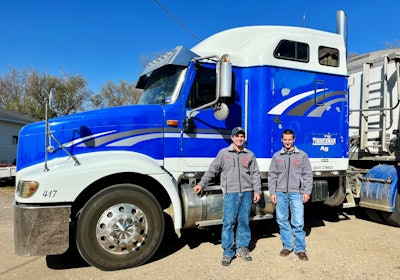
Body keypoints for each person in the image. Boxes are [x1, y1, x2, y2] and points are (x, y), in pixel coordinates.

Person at [193, 127, 261, 266]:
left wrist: (257, 191)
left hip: (247, 193)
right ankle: (228, 251)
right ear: (232, 138)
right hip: (230, 193)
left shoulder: (249, 155)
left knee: (244, 222)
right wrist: (202, 183)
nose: (239, 139)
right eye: (237, 136)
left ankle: (242, 248)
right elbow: (213, 170)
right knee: (229, 222)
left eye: (242, 136)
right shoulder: (223, 154)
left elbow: (255, 174)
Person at [268, 129, 313, 261]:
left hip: (296, 193)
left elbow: (307, 175)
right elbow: (272, 176)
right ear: (282, 140)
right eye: (285, 139)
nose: (287, 142)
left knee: (298, 222)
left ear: (294, 140)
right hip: (280, 193)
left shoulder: (302, 155)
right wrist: (272, 192)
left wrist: (306, 192)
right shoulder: (277, 156)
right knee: (282, 220)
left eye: (290, 139)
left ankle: (300, 249)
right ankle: (288, 246)